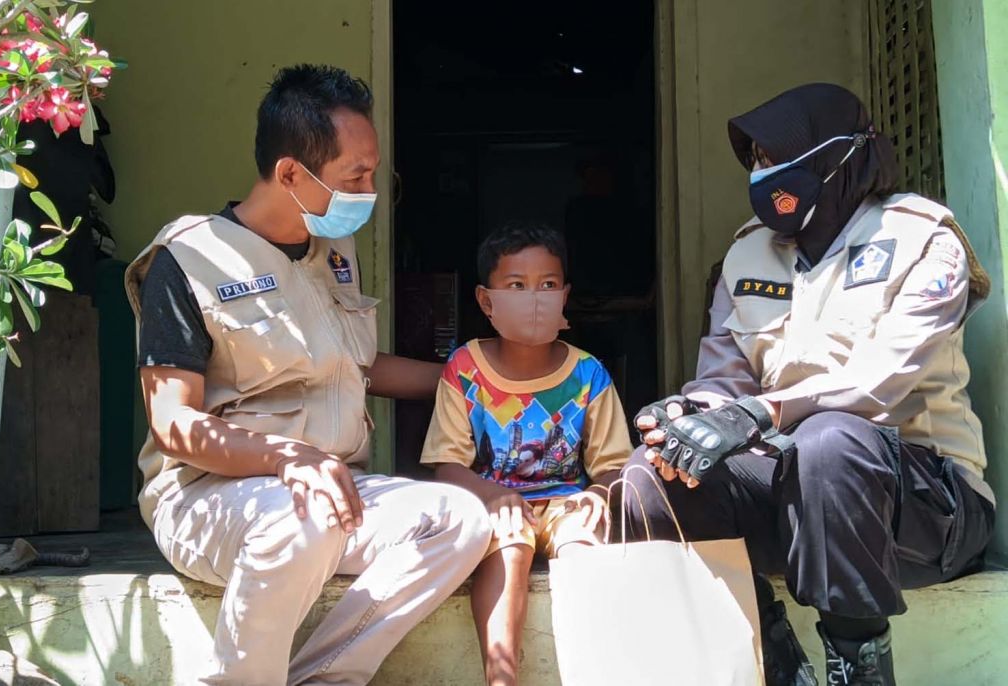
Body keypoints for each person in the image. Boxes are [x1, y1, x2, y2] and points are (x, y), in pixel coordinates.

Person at [124, 64, 491, 685]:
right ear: (291, 172)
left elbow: (356, 369)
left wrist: (476, 376)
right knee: (307, 516)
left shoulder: (331, 253)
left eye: (372, 172)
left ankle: (325, 679)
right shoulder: (189, 258)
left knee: (460, 519)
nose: (370, 189)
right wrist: (287, 459)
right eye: (356, 175)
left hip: (333, 488)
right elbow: (174, 426)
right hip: (210, 498)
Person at [621, 83, 995, 686]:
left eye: (777, 159)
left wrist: (759, 414)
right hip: (798, 495)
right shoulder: (747, 257)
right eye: (756, 163)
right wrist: (689, 415)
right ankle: (772, 654)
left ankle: (859, 667)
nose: (763, 174)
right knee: (652, 475)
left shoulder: (922, 238)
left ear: (840, 156)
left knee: (829, 441)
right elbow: (722, 381)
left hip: (926, 508)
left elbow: (880, 384)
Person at [420, 221, 632, 686]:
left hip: (564, 502)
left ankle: (591, 672)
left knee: (582, 544)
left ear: (565, 294)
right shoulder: (465, 369)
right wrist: (492, 496)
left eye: (548, 285)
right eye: (516, 285)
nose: (534, 298)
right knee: (512, 542)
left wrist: (596, 494)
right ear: (485, 300)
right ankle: (502, 679)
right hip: (492, 504)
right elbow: (448, 466)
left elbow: (615, 466)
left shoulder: (587, 374)